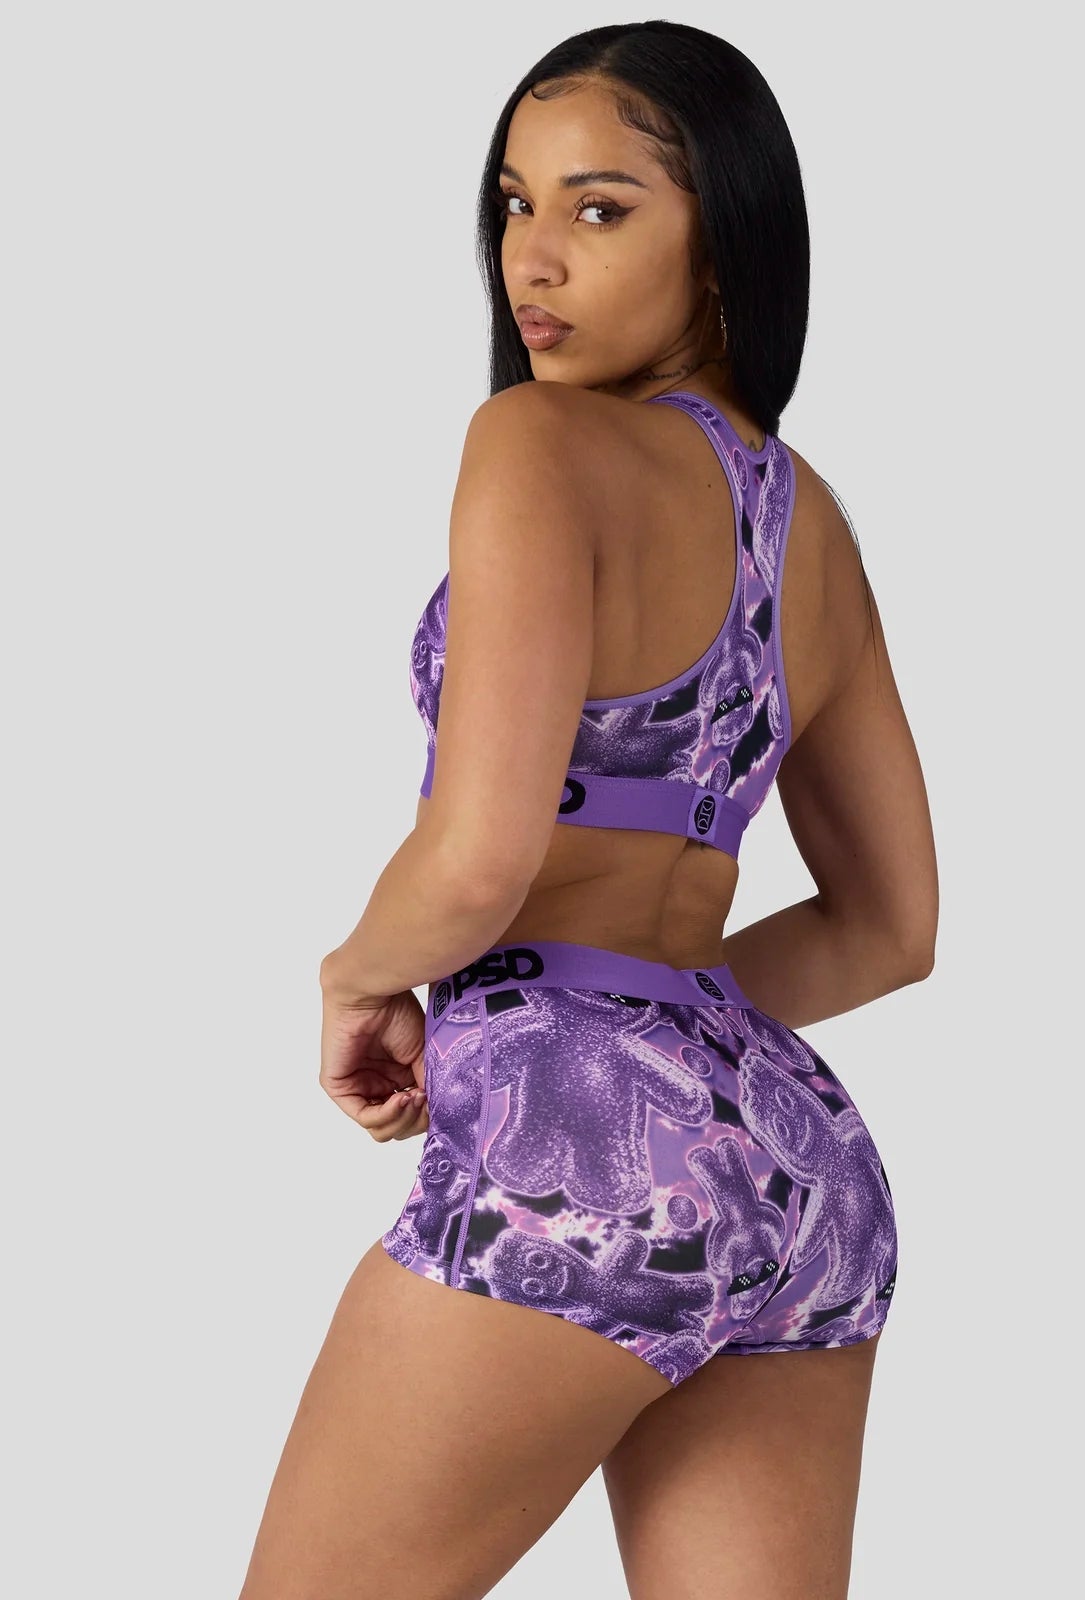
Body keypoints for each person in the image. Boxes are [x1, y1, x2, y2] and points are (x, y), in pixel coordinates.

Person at [238, 20, 937, 1600]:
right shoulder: (809, 524)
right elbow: (894, 928)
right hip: (805, 1179)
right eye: (515, 203)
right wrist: (665, 1034)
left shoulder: (535, 441)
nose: (532, 259)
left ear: (724, 243)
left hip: (577, 1160)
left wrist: (358, 976)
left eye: (601, 208)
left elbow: (477, 861)